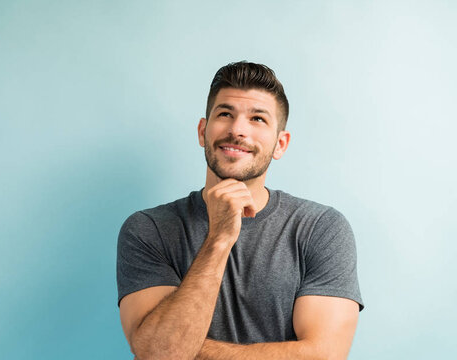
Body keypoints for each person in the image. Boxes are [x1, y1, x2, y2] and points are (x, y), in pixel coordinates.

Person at [116, 61, 364, 360]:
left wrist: (191, 349)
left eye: (258, 119)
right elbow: (160, 354)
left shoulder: (320, 228)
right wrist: (219, 238)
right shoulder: (149, 229)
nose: (237, 130)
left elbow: (324, 355)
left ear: (280, 144)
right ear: (202, 131)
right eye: (225, 114)